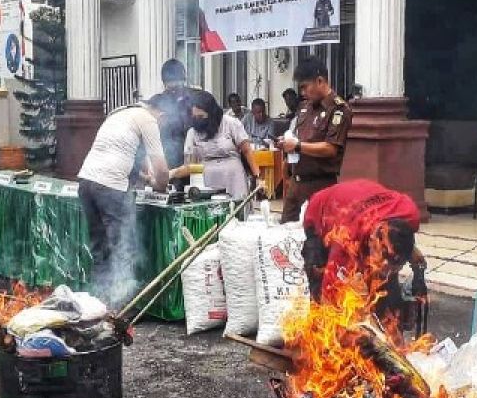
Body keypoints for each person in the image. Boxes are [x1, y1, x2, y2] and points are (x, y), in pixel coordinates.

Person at [301, 179, 428, 328]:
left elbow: (400, 237)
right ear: (372, 242)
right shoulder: (346, 238)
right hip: (321, 209)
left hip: (361, 194)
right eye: (381, 265)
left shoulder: (410, 214)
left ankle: (388, 328)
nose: (383, 272)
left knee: (385, 288)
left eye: (393, 267)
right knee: (318, 289)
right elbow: (329, 295)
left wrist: (411, 253)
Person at [78, 101, 169, 304]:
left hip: (86, 182)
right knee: (123, 247)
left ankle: (98, 301)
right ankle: (122, 306)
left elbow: (131, 159)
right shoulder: (149, 119)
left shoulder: (118, 115)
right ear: (161, 115)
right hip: (110, 187)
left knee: (99, 246)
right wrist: (160, 185)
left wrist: (147, 178)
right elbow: (162, 171)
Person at [277, 56, 352, 224]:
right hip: (295, 186)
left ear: (320, 81)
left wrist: (297, 146)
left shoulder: (339, 109)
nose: (302, 93)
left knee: (315, 243)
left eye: (305, 87)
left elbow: (330, 148)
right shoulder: (305, 108)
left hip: (320, 187)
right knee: (283, 240)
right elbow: (299, 138)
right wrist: (286, 142)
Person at [170, 91, 259, 202]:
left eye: (201, 117)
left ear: (211, 114)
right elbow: (190, 165)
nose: (198, 121)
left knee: (237, 209)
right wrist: (171, 173)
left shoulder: (230, 123)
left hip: (233, 178)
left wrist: (257, 176)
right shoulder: (192, 132)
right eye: (195, 117)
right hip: (206, 181)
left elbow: (247, 151)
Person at [147, 59, 195, 187]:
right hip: (164, 154)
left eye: (176, 82)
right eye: (170, 83)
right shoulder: (156, 101)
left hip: (189, 154)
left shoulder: (193, 98)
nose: (173, 87)